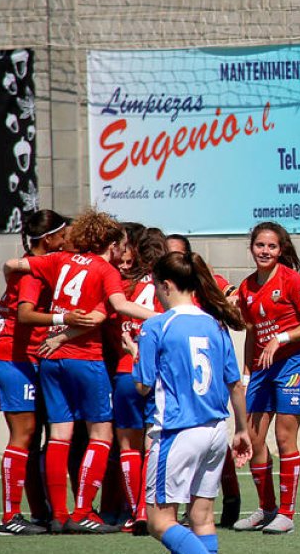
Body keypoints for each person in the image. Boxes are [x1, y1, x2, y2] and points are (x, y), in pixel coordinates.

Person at [4, 208, 157, 534]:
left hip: (51, 357)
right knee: (101, 434)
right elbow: (118, 306)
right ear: (111, 243)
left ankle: (59, 515)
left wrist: (57, 327)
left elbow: (13, 264)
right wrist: (160, 317)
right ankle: (83, 511)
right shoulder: (106, 270)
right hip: (86, 359)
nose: (122, 251)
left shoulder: (60, 260)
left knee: (59, 436)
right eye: (121, 244)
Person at [134, 251, 252, 554]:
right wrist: (241, 430)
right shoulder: (215, 325)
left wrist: (133, 352)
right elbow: (235, 384)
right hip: (215, 432)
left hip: (177, 431)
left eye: (156, 286)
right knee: (201, 518)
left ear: (167, 285)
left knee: (158, 522)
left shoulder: (157, 326)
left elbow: (143, 386)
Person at [0, 209, 83, 535]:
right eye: (64, 234)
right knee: (23, 435)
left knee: (33, 437)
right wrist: (65, 320)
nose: (68, 238)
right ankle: (9, 517)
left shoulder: (39, 265)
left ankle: (39, 512)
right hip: (13, 358)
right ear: (50, 238)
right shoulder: (33, 272)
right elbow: (26, 315)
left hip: (28, 358)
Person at [232, 222, 300, 534]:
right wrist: (246, 372)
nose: (265, 251)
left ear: (280, 250)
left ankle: (286, 514)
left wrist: (281, 339)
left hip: (293, 364)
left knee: (285, 438)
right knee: (254, 439)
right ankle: (266, 509)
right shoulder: (246, 287)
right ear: (251, 248)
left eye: (271, 246)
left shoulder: (292, 281)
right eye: (260, 245)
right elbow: (251, 333)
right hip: (262, 368)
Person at [165, 233, 242, 527]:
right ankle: (190, 507)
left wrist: (232, 300)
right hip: (178, 372)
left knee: (209, 433)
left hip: (207, 369)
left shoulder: (207, 282)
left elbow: (234, 295)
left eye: (177, 254)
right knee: (189, 439)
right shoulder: (164, 289)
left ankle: (230, 492)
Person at [107, 228, 167, 534]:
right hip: (156, 373)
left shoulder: (121, 286)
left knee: (127, 444)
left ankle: (135, 513)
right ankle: (151, 507)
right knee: (152, 442)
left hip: (125, 369)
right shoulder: (164, 288)